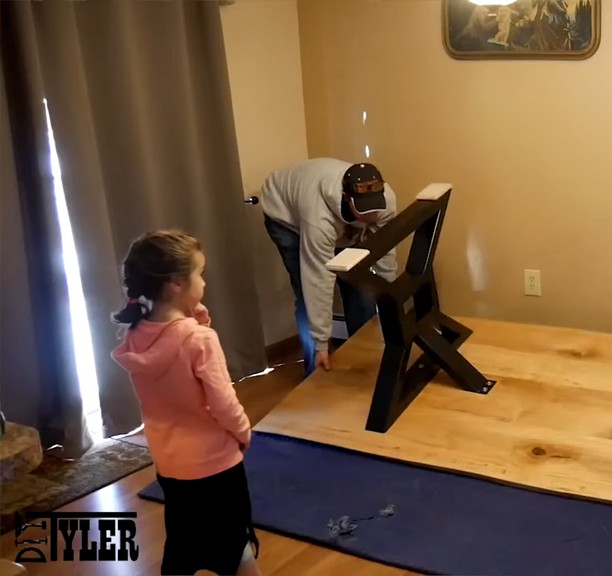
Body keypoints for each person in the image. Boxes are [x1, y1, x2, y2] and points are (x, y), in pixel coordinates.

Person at [110, 230, 261, 576]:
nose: (204, 282)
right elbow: (223, 402)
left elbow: (171, 383)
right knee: (235, 545)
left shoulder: (138, 335)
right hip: (215, 464)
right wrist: (243, 432)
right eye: (200, 273)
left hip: (171, 463)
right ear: (176, 283)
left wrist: (196, 322)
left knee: (184, 540)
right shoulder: (199, 340)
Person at [260, 158, 398, 377]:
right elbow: (317, 279)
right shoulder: (319, 221)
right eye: (364, 210)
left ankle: (363, 361)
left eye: (375, 209)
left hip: (336, 225)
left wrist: (390, 299)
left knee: (360, 289)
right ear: (346, 199)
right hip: (284, 215)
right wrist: (321, 342)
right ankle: (315, 366)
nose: (372, 216)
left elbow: (385, 253)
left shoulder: (386, 202)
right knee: (307, 294)